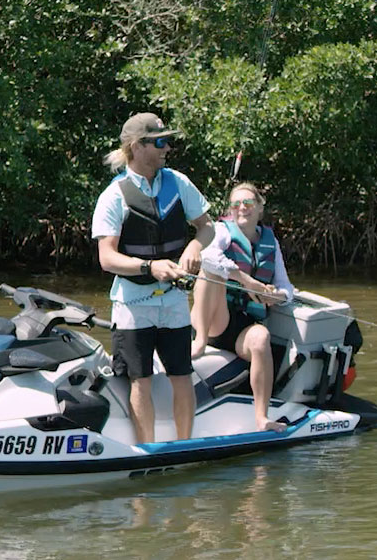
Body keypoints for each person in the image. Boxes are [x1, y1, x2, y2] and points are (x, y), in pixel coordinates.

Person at [92, 112, 215, 443]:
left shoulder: (179, 182)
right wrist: (150, 267)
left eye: (167, 141)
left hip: (173, 300)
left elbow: (207, 227)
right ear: (136, 146)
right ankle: (147, 450)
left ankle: (184, 445)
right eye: (159, 142)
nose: (167, 148)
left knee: (181, 376)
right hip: (133, 303)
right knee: (140, 380)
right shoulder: (113, 196)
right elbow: (107, 258)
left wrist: (193, 246)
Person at [190, 183, 293, 432]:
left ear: (259, 207)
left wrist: (273, 296)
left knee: (261, 337)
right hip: (216, 318)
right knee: (213, 270)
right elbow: (208, 257)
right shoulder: (222, 232)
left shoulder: (271, 242)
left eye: (247, 203)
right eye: (236, 204)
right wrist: (247, 282)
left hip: (242, 327)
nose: (242, 208)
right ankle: (201, 340)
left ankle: (261, 417)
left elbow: (287, 288)